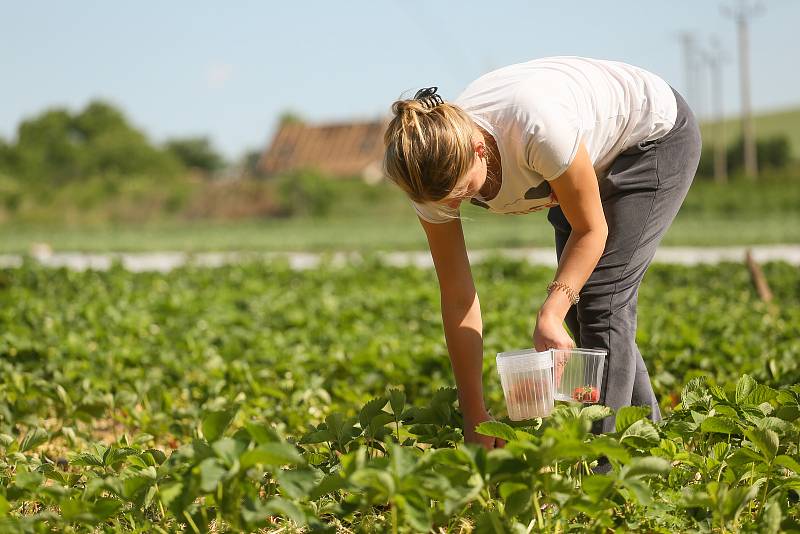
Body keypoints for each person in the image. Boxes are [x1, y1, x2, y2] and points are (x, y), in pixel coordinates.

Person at [381, 56, 701, 459]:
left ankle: (607, 471)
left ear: (480, 150)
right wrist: (474, 414)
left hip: (651, 136)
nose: (458, 205)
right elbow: (458, 295)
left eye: (464, 193)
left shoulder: (534, 128)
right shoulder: (429, 179)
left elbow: (592, 230)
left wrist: (549, 310)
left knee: (600, 299)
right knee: (579, 308)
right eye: (446, 204)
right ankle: (650, 449)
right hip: (577, 159)